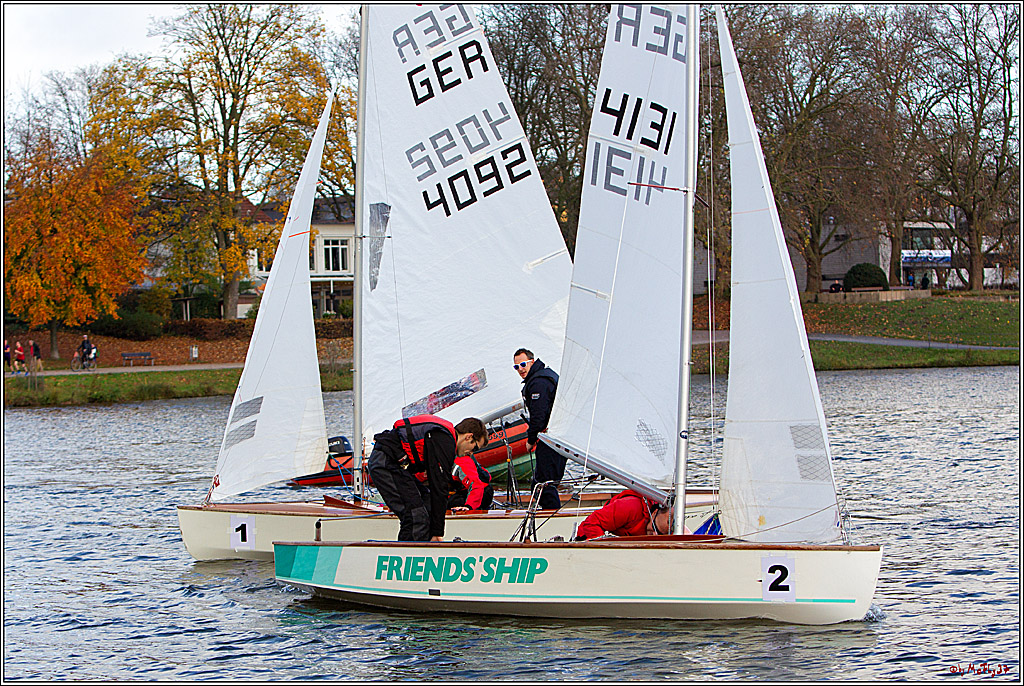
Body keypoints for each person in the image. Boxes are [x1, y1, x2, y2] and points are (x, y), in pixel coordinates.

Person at [367, 415, 487, 541]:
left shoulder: (444, 437)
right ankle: (408, 555)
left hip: (393, 464)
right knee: (416, 516)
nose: (472, 453)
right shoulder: (445, 440)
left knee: (427, 503)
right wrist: (438, 533)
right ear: (468, 437)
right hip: (385, 462)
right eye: (475, 448)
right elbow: (439, 485)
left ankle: (425, 547)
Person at [514, 348, 564, 510]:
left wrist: (530, 440)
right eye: (516, 367)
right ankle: (550, 513)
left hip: (551, 439)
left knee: (544, 484)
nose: (520, 369)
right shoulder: (546, 375)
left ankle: (552, 518)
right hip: (559, 438)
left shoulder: (538, 383)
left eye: (523, 364)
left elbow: (539, 416)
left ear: (532, 362)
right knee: (544, 483)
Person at [574, 489, 686, 540]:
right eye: (653, 528)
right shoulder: (630, 506)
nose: (653, 535)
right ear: (655, 512)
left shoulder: (674, 527)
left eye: (660, 534)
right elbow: (590, 524)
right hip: (592, 539)